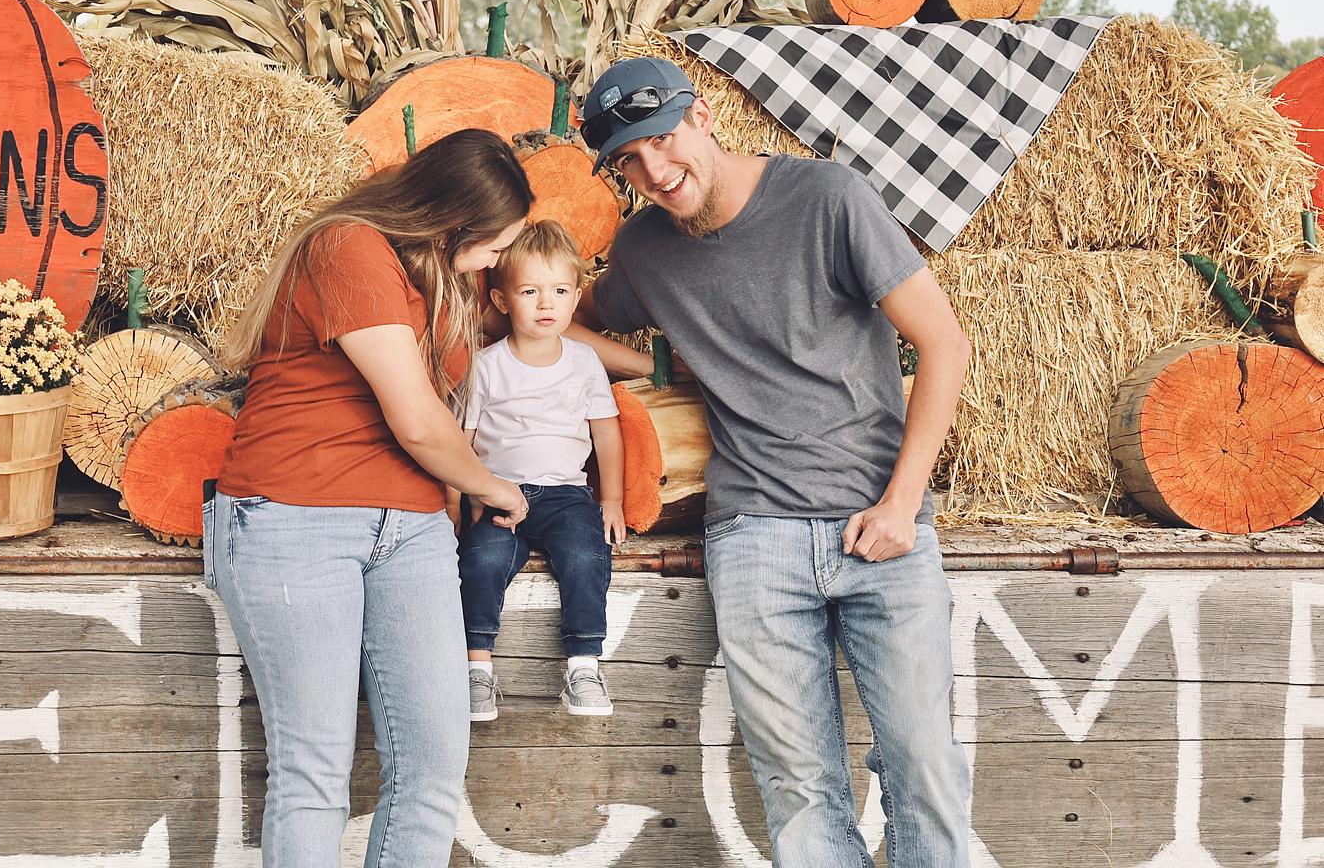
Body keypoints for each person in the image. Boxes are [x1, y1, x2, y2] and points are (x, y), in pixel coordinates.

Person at [571, 57, 974, 867]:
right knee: (797, 787)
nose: (655, 171)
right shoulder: (644, 248)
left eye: (661, 140)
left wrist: (903, 504)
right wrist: (654, 366)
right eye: (630, 161)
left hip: (880, 524)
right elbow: (556, 318)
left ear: (702, 115)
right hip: (754, 534)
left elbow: (946, 344)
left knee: (924, 766)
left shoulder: (828, 198)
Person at [204, 128, 533, 868]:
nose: (495, 262)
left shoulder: (436, 276)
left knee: (432, 767)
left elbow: (542, 320)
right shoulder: (347, 245)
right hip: (295, 516)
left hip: (410, 527)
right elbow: (416, 420)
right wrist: (491, 486)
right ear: (452, 221)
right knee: (315, 774)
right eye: (493, 245)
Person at [452, 220, 626, 722]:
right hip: (497, 493)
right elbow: (461, 439)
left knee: (585, 555)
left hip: (566, 495)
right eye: (530, 291)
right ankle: (476, 670)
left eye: (560, 291)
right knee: (481, 559)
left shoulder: (584, 362)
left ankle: (584, 666)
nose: (546, 304)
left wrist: (611, 499)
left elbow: (606, 434)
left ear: (575, 298)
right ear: (502, 300)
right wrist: (458, 499)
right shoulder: (486, 365)